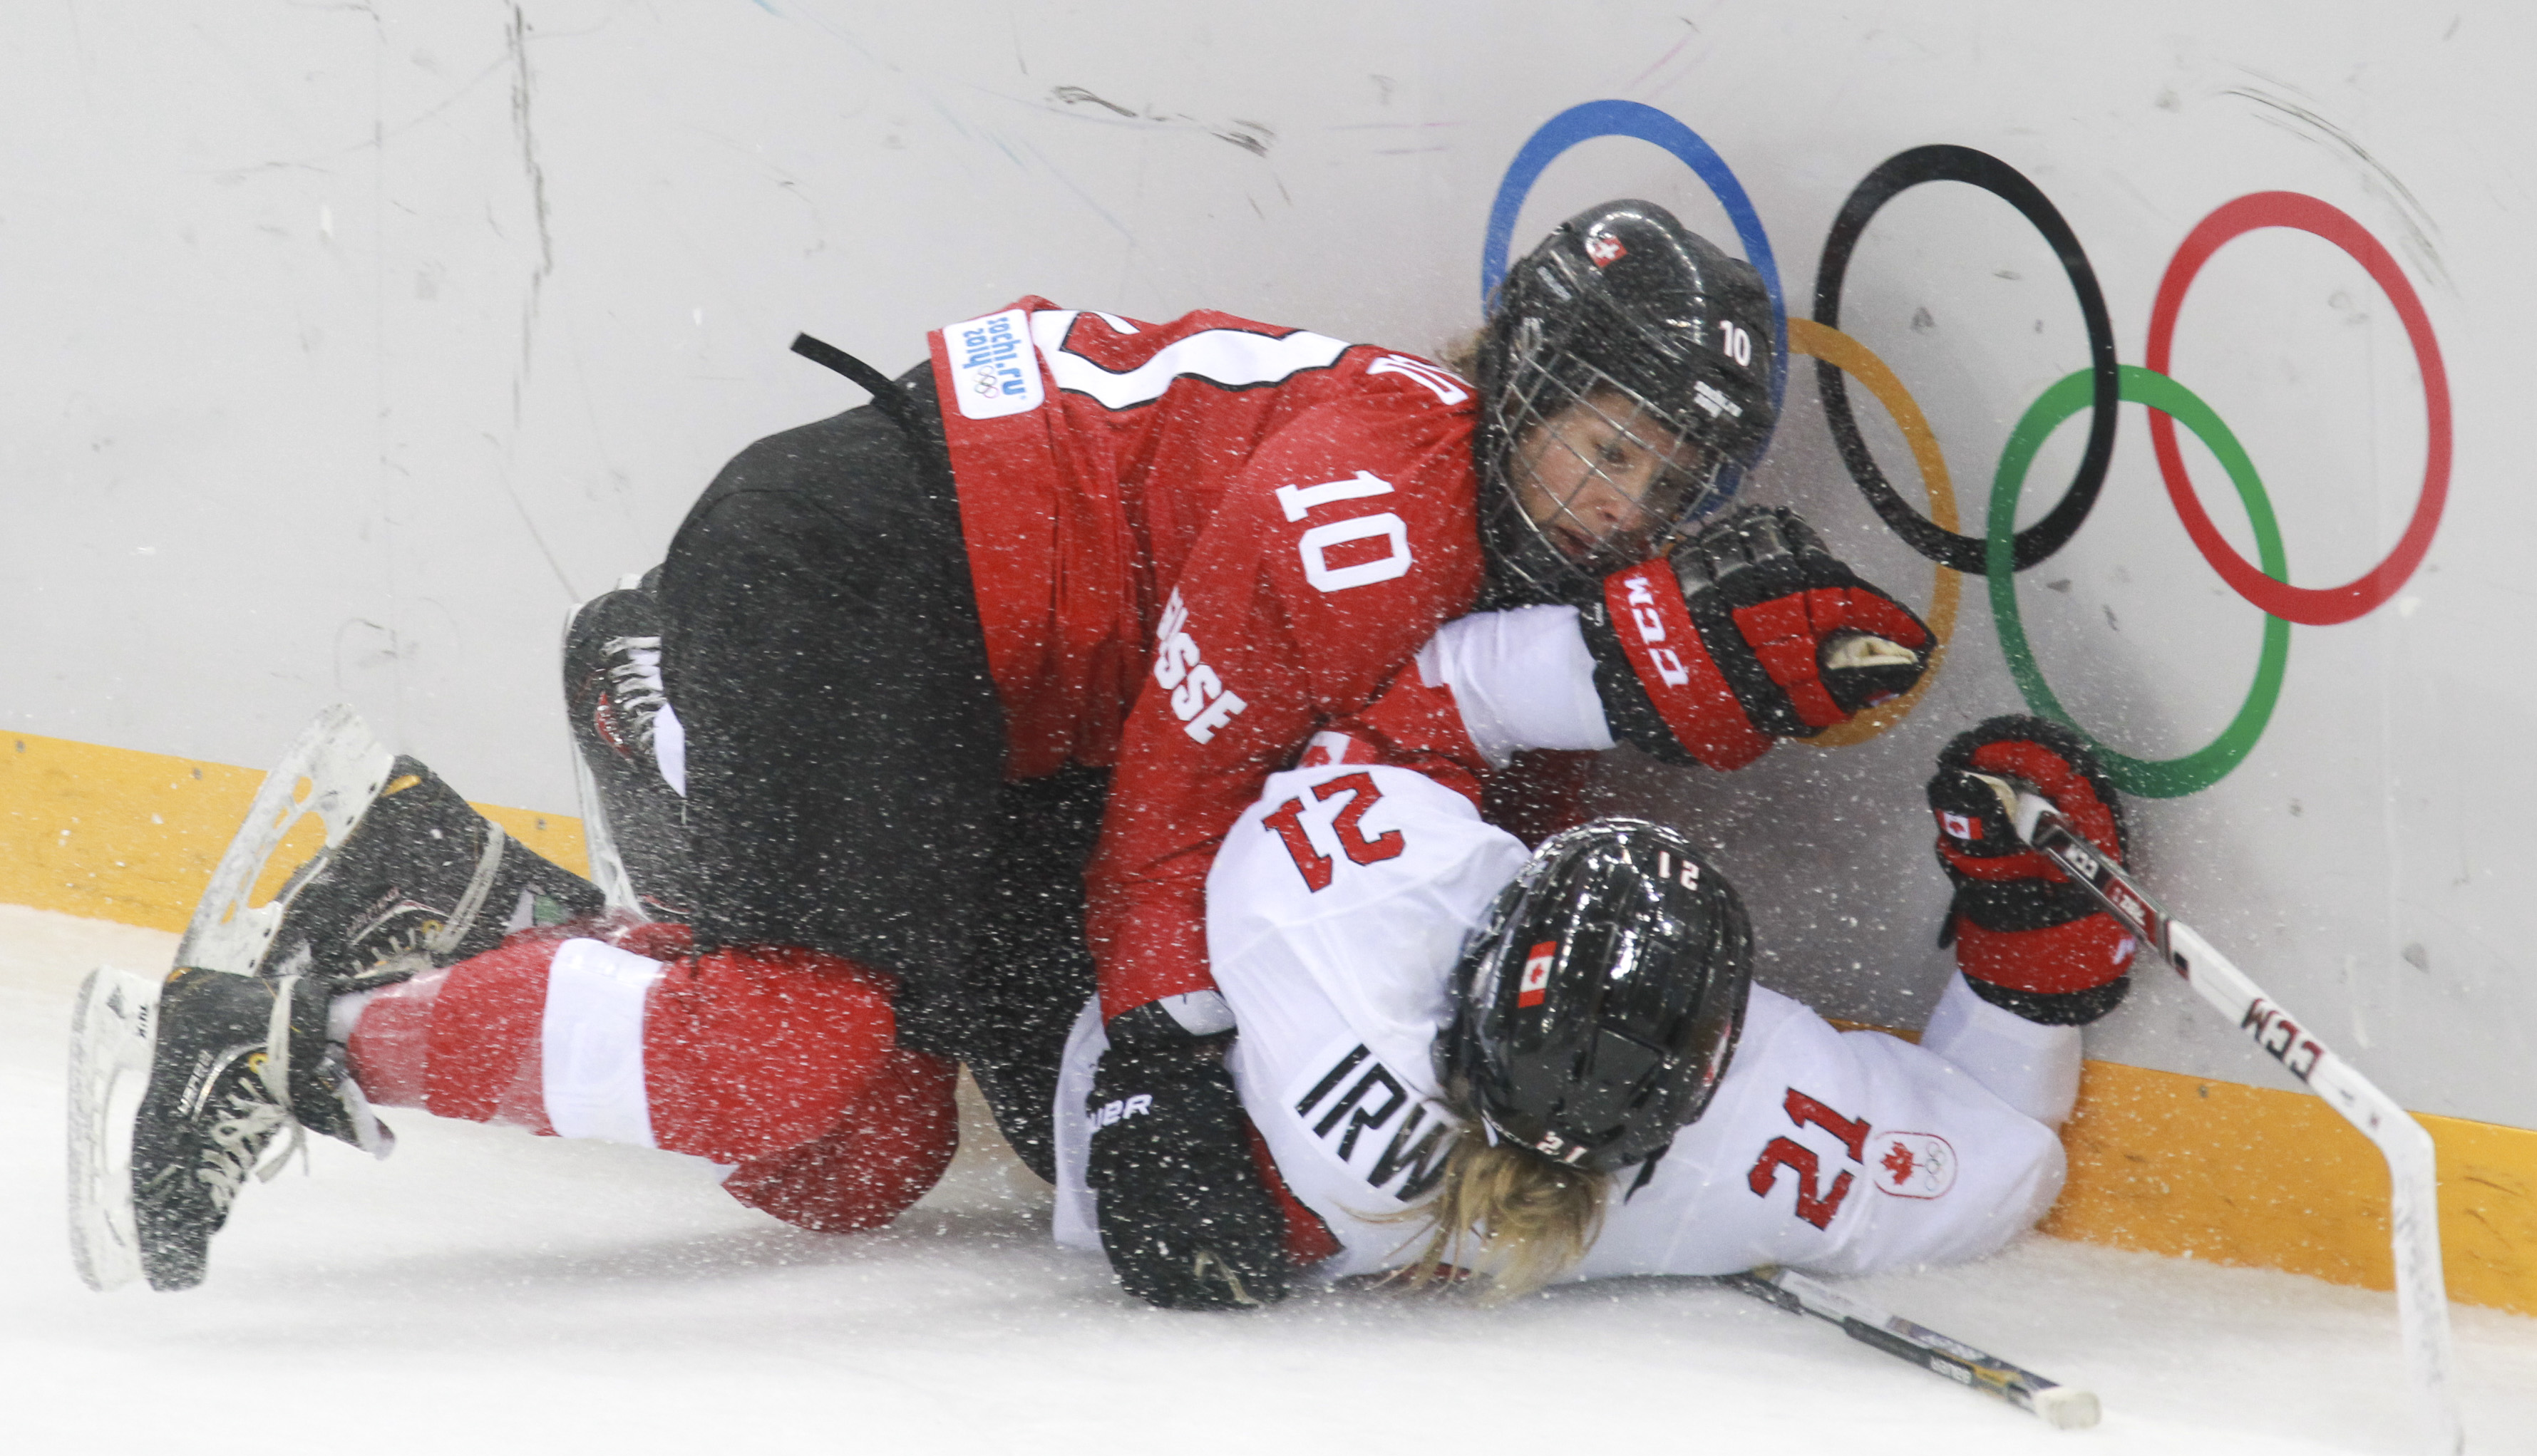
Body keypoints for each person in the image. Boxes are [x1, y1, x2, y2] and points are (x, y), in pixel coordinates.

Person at [96, 200, 1939, 1303]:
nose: (1621, 506)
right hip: (872, 578)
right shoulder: (1375, 503)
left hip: (995, 711)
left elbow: (1367, 767)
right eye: (1602, 449)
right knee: (786, 1046)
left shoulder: (1455, 539)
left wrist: (1639, 698)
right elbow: (1178, 798)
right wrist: (1164, 1047)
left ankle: (472, 900)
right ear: (1526, 383)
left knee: (860, 1151)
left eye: (1664, 484)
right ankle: (264, 1028)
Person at [1051, 714, 2139, 1297]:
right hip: (1184, 1180)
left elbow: (1232, 783)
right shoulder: (1747, 1155)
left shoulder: (1342, 937)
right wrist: (2033, 946)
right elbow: (2008, 1166)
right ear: (1710, 1064)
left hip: (1086, 1063)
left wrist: (1605, 660)